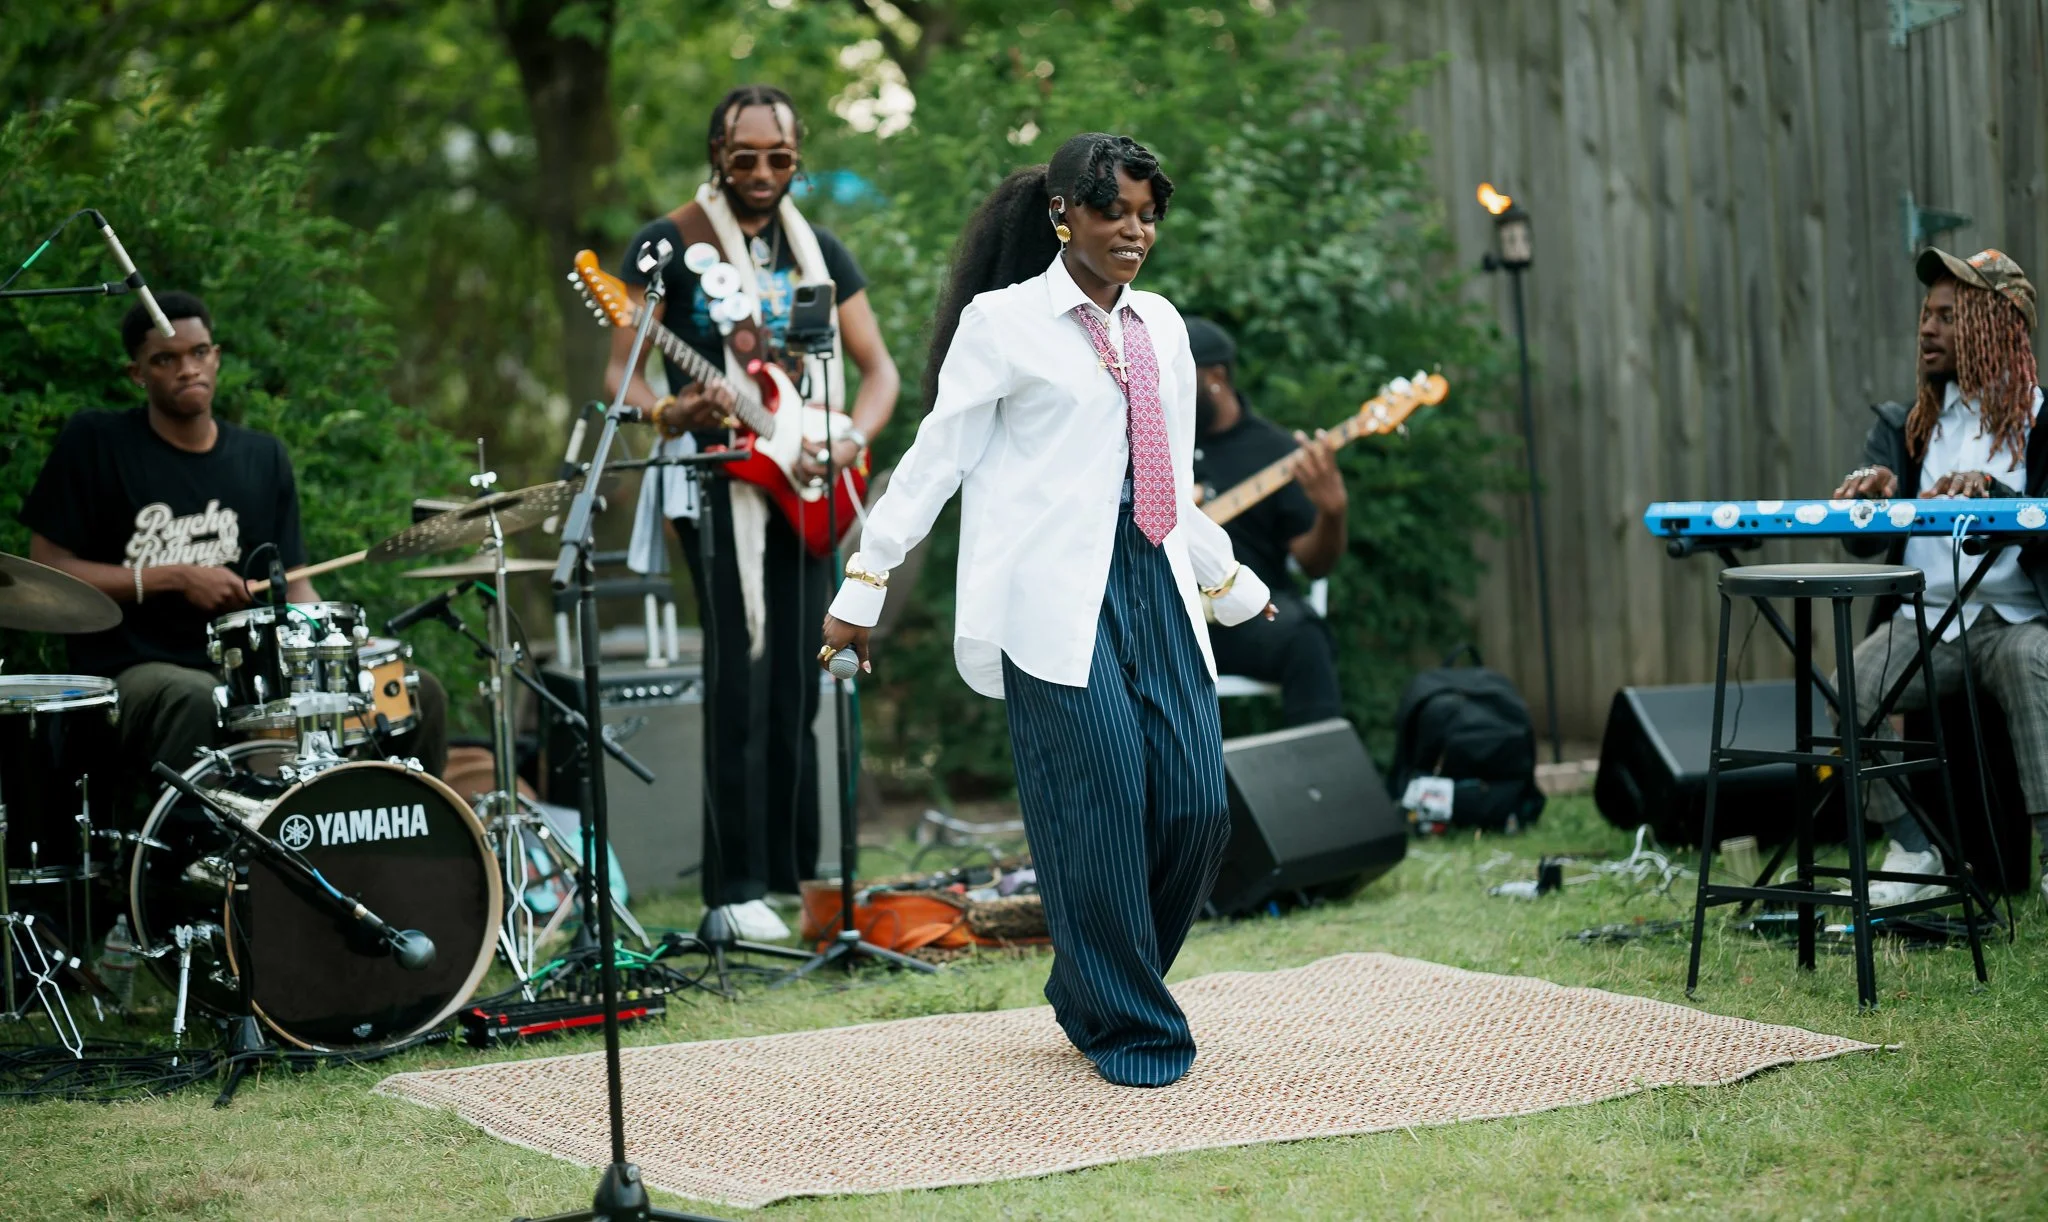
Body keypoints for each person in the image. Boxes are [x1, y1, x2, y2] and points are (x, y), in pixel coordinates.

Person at [820, 133, 1274, 1087]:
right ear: (1066, 211)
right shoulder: (1004, 323)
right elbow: (934, 462)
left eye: (1149, 214)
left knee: (1195, 806)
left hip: (1155, 575)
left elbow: (1169, 481)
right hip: (1050, 598)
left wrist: (1229, 582)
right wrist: (863, 587)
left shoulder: (1163, 325)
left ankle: (1094, 981)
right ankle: (1128, 1024)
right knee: (1100, 803)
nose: (1135, 231)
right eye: (1116, 210)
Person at [605, 84, 900, 939]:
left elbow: (876, 370)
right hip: (715, 485)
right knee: (738, 677)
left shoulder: (824, 251)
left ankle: (794, 875)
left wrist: (853, 439)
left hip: (809, 482)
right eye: (746, 157)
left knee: (799, 684)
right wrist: (670, 412)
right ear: (717, 157)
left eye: (779, 157)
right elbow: (619, 373)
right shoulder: (668, 244)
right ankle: (732, 892)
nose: (763, 172)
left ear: (797, 158)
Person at [19, 292, 449, 820]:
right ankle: (193, 877)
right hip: (133, 672)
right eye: (165, 359)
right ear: (137, 374)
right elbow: (48, 569)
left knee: (411, 689)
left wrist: (341, 646)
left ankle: (404, 854)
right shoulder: (97, 443)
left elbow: (293, 582)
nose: (187, 369)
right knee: (196, 698)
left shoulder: (262, 457)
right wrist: (174, 577)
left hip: (253, 676)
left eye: (199, 353)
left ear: (217, 356)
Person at [1830, 247, 2046, 905]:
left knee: (2034, 664)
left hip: (2013, 622)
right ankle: (1913, 853)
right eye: (1926, 315)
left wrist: (1998, 492)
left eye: (1948, 317)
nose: (1927, 329)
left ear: (1996, 326)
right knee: (1846, 688)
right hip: (1928, 623)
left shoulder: (2044, 423)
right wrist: (1875, 501)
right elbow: (1857, 542)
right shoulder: (1908, 426)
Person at [1186, 316, 1347, 726]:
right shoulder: (1156, 439)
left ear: (1216, 377)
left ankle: (1317, 778)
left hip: (1249, 618)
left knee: (1304, 636)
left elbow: (1315, 563)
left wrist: (1332, 513)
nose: (1165, 389)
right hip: (1166, 622)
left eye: (1179, 375)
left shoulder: (1274, 451)